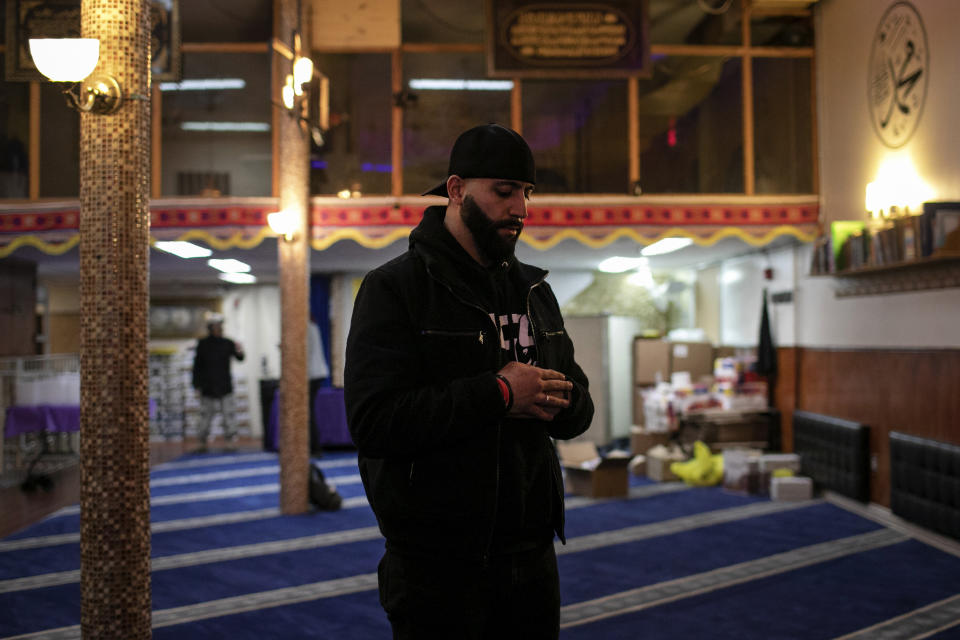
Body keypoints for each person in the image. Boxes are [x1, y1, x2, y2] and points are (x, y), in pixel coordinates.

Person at [345, 123, 594, 639]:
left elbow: (580, 407)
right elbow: (375, 422)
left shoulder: (534, 292)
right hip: (437, 562)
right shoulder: (396, 288)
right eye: (504, 191)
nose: (520, 208)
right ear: (456, 190)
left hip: (530, 552)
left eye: (526, 193)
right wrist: (500, 394)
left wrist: (558, 402)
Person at [192, 314, 245, 451]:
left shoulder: (228, 343)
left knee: (229, 414)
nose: (219, 328)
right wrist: (196, 384)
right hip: (207, 386)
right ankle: (202, 442)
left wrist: (240, 350)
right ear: (210, 328)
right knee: (205, 416)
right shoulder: (203, 344)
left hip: (225, 385)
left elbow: (240, 358)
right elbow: (197, 366)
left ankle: (230, 441)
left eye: (220, 325)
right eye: (216, 326)